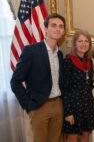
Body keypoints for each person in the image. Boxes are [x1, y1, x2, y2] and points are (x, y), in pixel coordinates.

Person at [10, 13, 65, 142]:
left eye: (61, 26)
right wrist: (28, 105)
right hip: (39, 106)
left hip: (58, 105)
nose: (57, 29)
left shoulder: (60, 54)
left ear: (63, 31)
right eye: (54, 25)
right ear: (45, 29)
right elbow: (15, 81)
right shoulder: (31, 51)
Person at [62, 30, 94, 142]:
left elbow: (90, 83)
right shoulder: (68, 61)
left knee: (86, 136)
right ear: (74, 44)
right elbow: (65, 88)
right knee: (73, 136)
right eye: (80, 41)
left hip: (87, 103)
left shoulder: (89, 61)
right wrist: (68, 112)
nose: (83, 44)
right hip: (73, 104)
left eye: (86, 41)